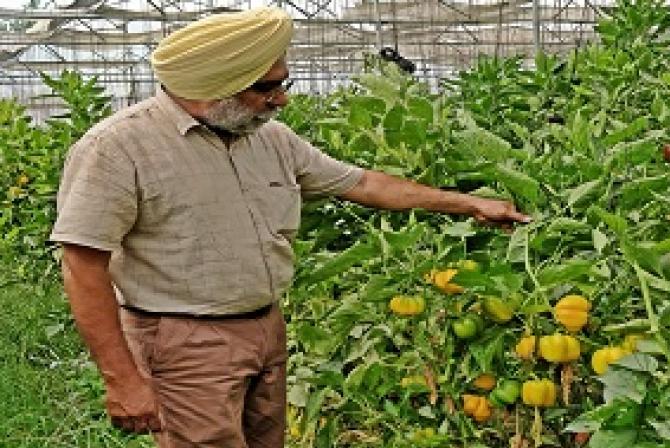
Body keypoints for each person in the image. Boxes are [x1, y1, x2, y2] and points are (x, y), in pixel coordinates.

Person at [50, 7, 530, 448]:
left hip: (265, 327)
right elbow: (83, 265)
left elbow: (363, 183)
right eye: (266, 88)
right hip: (182, 341)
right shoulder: (119, 148)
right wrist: (123, 380)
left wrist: (467, 204)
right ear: (215, 86)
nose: (280, 99)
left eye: (285, 83)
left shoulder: (270, 138)